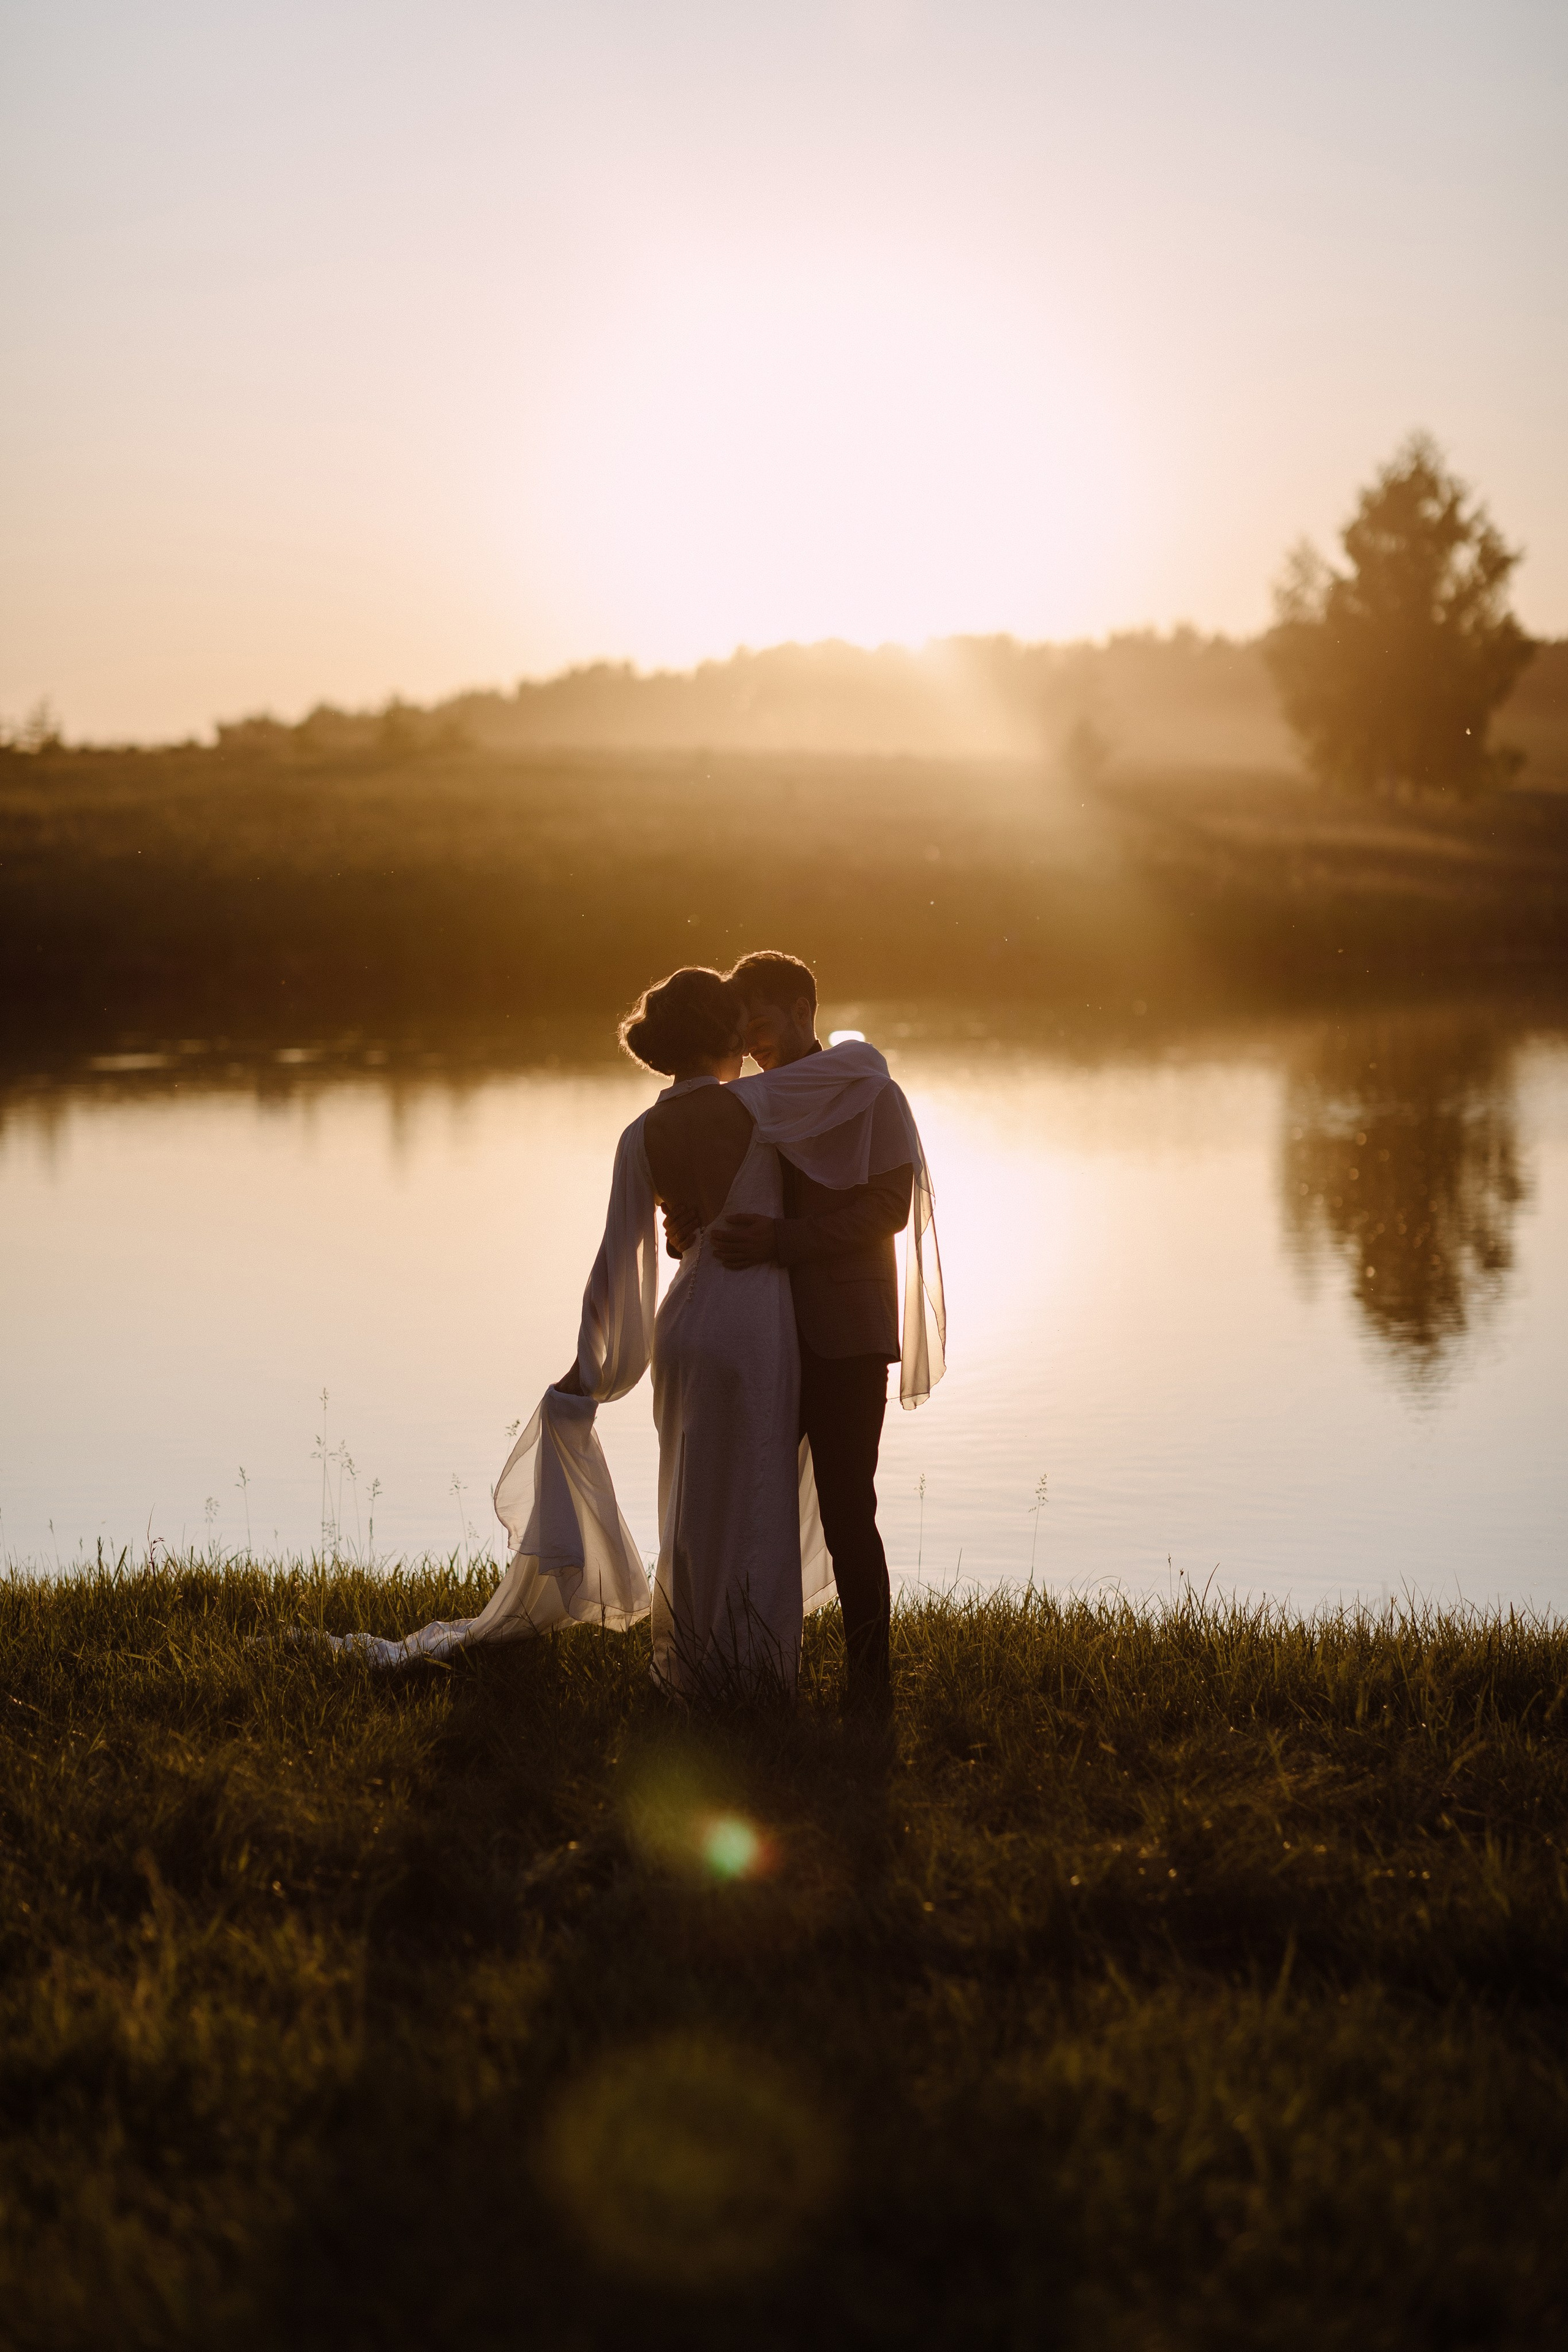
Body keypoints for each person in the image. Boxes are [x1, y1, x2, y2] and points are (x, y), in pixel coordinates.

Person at [662, 949, 941, 1716]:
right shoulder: (747, 1102)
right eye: (740, 1033)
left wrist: (781, 1242)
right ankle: (734, 1662)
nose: (751, 1046)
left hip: (843, 1332)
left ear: (801, 1009)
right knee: (747, 1496)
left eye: (760, 1025)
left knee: (849, 1507)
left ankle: (868, 1685)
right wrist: (685, 1228)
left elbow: (886, 1207)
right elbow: (720, 1208)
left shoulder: (863, 1090)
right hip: (756, 1334)